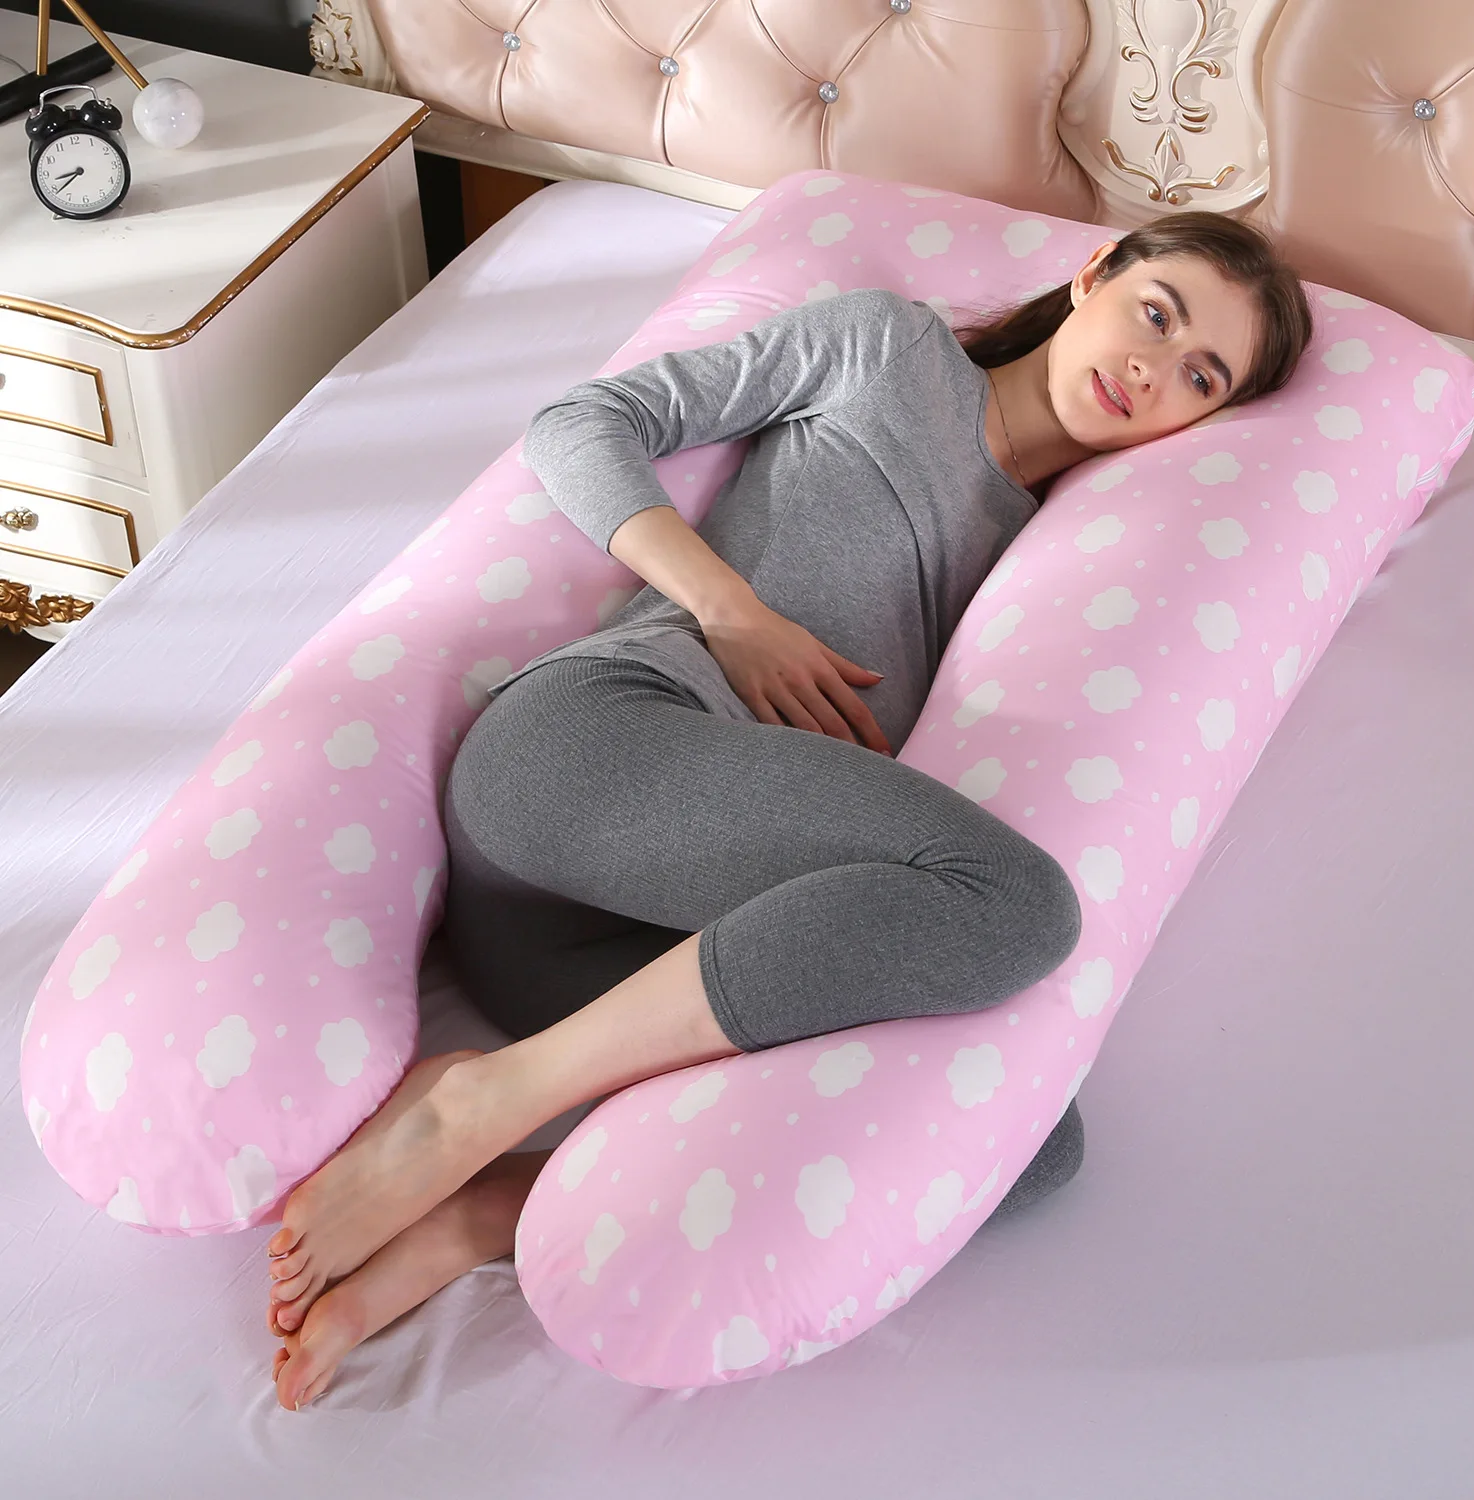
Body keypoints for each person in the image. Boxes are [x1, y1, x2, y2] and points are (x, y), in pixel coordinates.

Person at [262, 210, 1314, 1410]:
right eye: (1156, 314)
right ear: (1092, 277)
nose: (1151, 368)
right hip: (580, 761)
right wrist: (733, 613)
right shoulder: (890, 349)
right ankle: (481, 1101)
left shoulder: (1072, 548)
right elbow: (583, 422)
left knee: (1028, 1139)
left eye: (1201, 377)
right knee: (1015, 903)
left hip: (636, 953)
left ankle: (484, 1213)